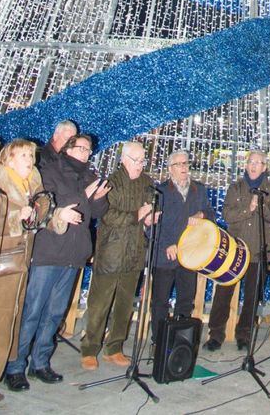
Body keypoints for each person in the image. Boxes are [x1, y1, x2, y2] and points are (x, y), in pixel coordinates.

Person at [4, 133, 109, 388]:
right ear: (67, 148)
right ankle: (15, 366)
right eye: (80, 148)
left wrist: (97, 198)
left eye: (88, 149)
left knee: (54, 313)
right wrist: (85, 195)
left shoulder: (89, 174)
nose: (85, 153)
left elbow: (94, 213)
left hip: (74, 254)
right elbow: (46, 204)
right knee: (32, 311)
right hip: (49, 252)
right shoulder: (50, 170)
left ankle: (40, 363)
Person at [0, 140, 71, 399]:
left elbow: (42, 217)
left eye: (31, 155)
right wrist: (15, 219)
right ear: (9, 159)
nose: (29, 160)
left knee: (8, 322)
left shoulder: (34, 183)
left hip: (20, 264)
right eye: (23, 155)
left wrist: (59, 218)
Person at [80, 141, 157, 369]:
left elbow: (148, 209)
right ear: (123, 159)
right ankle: (89, 348)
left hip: (135, 252)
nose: (140, 165)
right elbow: (107, 216)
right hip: (111, 252)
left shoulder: (147, 183)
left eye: (143, 160)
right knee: (99, 304)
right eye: (137, 160)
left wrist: (150, 218)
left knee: (124, 305)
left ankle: (114, 347)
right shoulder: (110, 183)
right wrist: (137, 215)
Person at [204, 150, 270, 353]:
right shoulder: (235, 187)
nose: (254, 165)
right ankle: (216, 334)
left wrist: (261, 206)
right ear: (246, 165)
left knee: (252, 297)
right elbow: (227, 215)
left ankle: (244, 334)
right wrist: (249, 208)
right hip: (234, 252)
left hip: (258, 251)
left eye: (259, 162)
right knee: (223, 293)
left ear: (265, 167)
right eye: (251, 162)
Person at [150, 151, 214, 344]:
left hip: (189, 256)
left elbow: (211, 214)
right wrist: (167, 244)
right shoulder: (159, 192)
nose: (184, 167)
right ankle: (159, 341)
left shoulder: (199, 190)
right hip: (165, 257)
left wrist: (202, 214)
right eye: (178, 164)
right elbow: (152, 225)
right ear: (170, 169)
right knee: (160, 302)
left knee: (186, 301)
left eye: (186, 163)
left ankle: (179, 343)